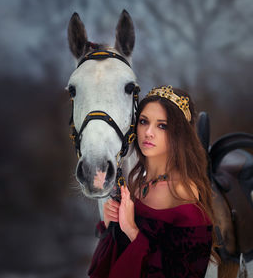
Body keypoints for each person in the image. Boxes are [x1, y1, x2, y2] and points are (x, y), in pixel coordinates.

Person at [88, 85, 218, 278]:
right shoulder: (136, 185)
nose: (148, 132)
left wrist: (132, 230)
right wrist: (111, 226)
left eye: (162, 125)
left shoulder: (183, 192)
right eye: (143, 121)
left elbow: (185, 273)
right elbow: (104, 268)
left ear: (179, 134)